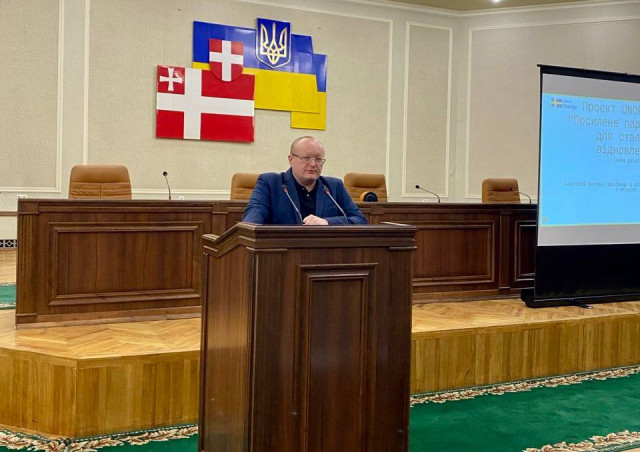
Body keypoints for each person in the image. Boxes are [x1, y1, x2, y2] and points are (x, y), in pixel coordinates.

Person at [243, 136, 367, 225]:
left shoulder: (334, 186)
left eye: (318, 159)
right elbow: (252, 221)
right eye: (306, 158)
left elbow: (360, 220)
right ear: (291, 159)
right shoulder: (270, 183)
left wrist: (327, 222)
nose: (313, 164)